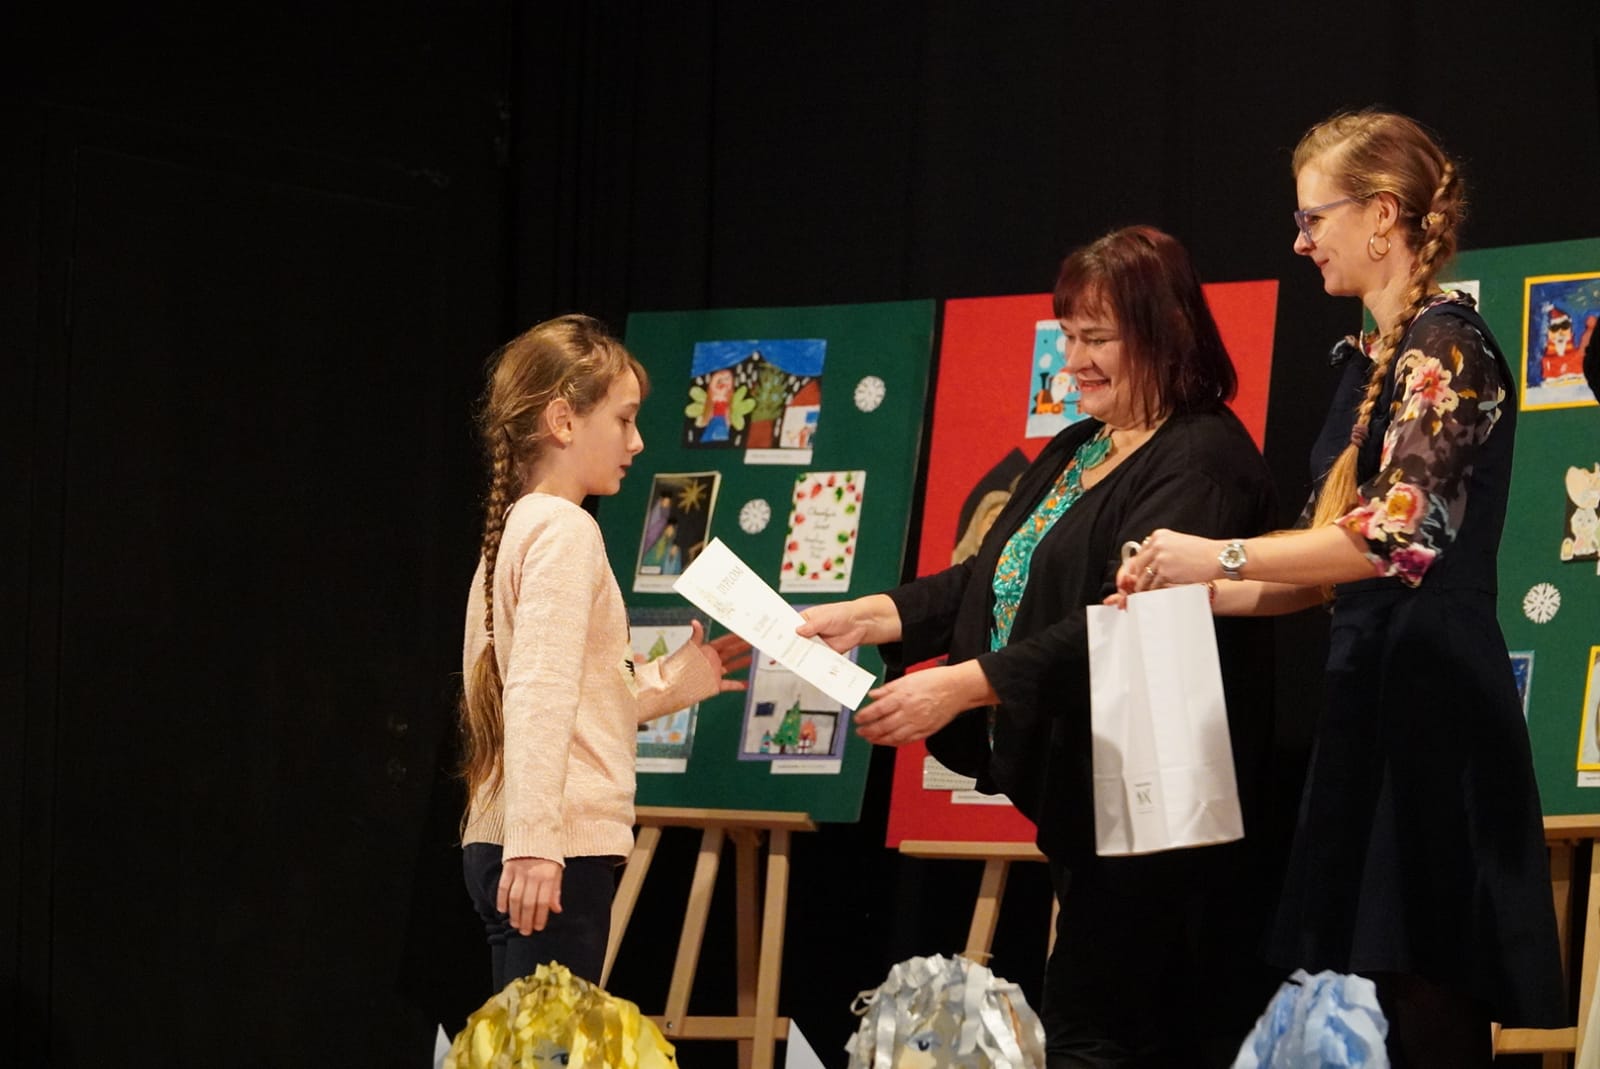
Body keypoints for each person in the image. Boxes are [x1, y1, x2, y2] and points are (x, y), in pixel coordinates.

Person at [1116, 110, 1565, 1066]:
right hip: (1374, 694)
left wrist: (1218, 557)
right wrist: (1183, 589)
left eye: (1312, 217)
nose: (1300, 240)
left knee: (1427, 986)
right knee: (1376, 991)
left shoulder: (1449, 348)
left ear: (1383, 215)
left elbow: (1396, 538)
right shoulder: (1373, 363)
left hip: (1433, 703)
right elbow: (1322, 570)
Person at [798, 226, 1282, 1066]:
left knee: (1101, 1030)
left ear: (1163, 333)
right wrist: (874, 615)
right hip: (1090, 797)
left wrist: (964, 684)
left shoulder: (1200, 459)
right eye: (1068, 335)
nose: (1073, 360)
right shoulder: (1082, 444)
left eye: (1097, 338)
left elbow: (1122, 627)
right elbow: (992, 572)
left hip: (1158, 806)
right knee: (1094, 1021)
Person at [458, 314, 748, 991]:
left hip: (508, 838)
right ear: (563, 420)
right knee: (548, 1045)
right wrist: (537, 843)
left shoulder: (517, 527)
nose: (637, 441)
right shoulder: (565, 529)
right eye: (623, 420)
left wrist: (673, 680)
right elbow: (538, 690)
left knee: (523, 1044)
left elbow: (569, 688)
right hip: (551, 848)